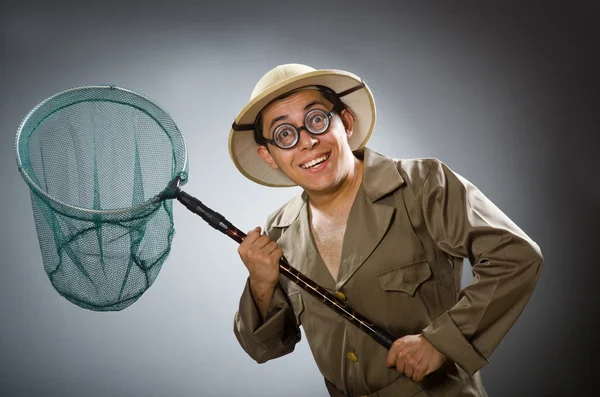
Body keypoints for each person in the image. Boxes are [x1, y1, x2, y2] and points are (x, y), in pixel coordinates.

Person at [228, 63, 543, 397]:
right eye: (284, 134)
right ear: (269, 155)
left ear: (345, 122)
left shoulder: (424, 185)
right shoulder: (279, 233)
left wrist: (443, 341)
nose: (307, 141)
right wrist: (261, 287)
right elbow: (264, 349)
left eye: (317, 119)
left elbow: (516, 257)